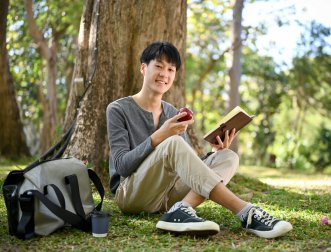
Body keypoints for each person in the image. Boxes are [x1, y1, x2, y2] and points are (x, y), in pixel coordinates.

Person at [106, 41, 292, 239]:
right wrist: (160, 135)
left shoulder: (172, 112)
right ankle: (247, 212)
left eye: (171, 69)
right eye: (159, 66)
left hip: (167, 196)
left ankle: (181, 208)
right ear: (144, 68)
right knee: (173, 142)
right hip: (132, 195)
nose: (164, 74)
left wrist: (214, 153)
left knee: (228, 157)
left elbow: (186, 167)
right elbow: (122, 166)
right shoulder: (118, 109)